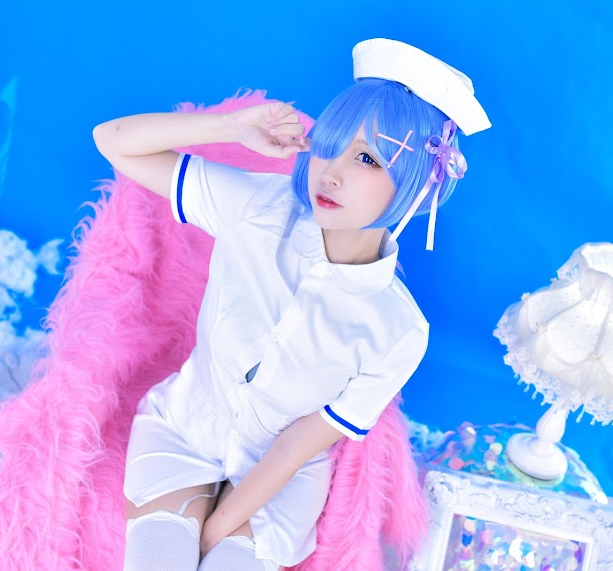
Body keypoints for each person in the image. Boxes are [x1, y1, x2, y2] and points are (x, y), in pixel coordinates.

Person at [93, 38, 491, 571]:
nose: (331, 173)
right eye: (329, 145)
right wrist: (231, 126)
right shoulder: (257, 206)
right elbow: (113, 141)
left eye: (366, 158)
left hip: (279, 483)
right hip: (183, 430)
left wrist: (216, 531)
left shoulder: (399, 330)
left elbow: (294, 447)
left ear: (416, 185)